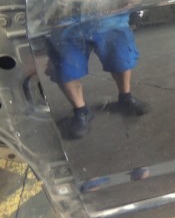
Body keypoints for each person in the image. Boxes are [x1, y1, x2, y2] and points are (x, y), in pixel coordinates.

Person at [48, 9, 149, 139]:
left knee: (121, 56)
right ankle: (81, 112)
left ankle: (126, 97)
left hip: (110, 14)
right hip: (67, 17)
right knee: (66, 66)